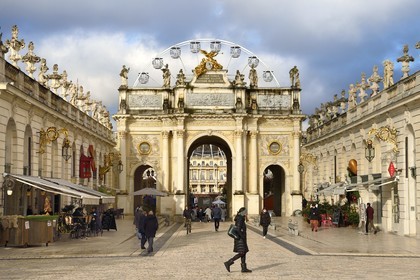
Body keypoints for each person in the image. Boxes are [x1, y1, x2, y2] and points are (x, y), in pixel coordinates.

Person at [224, 207, 252, 273]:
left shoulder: (240, 217)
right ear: (243, 212)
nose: (246, 212)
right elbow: (239, 229)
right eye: (246, 211)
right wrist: (242, 237)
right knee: (241, 253)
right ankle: (228, 262)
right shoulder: (240, 218)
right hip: (240, 239)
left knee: (244, 252)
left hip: (241, 238)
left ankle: (244, 268)